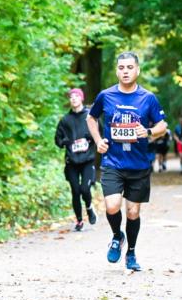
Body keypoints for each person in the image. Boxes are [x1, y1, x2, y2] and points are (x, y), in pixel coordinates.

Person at [86, 51, 168, 271]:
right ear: (117, 71)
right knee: (112, 206)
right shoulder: (106, 95)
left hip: (138, 165)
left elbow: (162, 125)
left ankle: (131, 252)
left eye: (130, 68)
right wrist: (98, 141)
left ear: (137, 70)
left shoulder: (148, 98)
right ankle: (117, 236)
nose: (125, 71)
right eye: (121, 68)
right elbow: (91, 117)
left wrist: (148, 132)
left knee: (133, 212)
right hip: (112, 162)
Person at [54, 88, 97, 231]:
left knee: (85, 189)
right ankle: (79, 221)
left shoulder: (90, 116)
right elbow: (57, 140)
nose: (73, 98)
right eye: (71, 97)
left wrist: (92, 138)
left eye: (76, 96)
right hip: (71, 161)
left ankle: (89, 208)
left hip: (87, 160)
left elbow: (100, 134)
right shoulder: (65, 120)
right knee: (75, 191)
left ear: (81, 98)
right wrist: (64, 142)